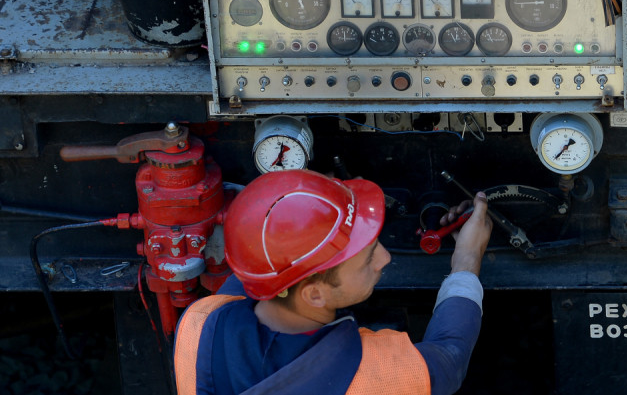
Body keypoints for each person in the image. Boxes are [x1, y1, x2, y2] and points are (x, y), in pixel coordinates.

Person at [174, 169, 493, 395]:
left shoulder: (198, 324)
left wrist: (319, 196)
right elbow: (450, 357)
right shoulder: (373, 376)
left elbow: (260, 251)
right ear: (314, 295)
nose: (385, 258)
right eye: (367, 257)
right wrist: (467, 258)